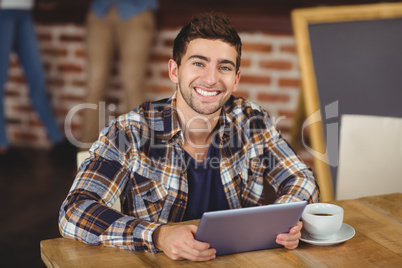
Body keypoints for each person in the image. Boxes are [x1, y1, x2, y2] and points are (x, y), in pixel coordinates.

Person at [59, 12, 319, 262]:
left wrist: (283, 221)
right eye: (198, 63)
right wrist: (157, 235)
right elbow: (74, 211)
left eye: (224, 67)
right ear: (175, 71)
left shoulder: (253, 121)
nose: (211, 79)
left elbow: (301, 178)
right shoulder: (129, 131)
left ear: (236, 79)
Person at [79, 0, 158, 149]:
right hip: (99, 11)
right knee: (94, 85)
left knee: (132, 84)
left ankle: (137, 160)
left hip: (136, 11)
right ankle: (86, 159)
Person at [0, 0, 63, 158]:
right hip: (3, 12)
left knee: (37, 77)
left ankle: (56, 139)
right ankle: (2, 144)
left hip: (25, 11)